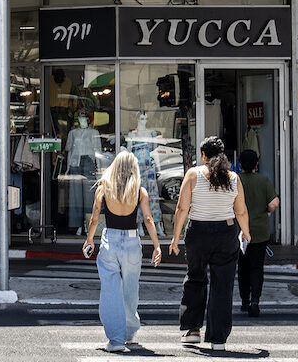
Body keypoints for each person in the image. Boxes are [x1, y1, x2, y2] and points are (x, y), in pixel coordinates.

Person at [170, 136, 251, 349]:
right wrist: (246, 233)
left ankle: (193, 330)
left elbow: (181, 209)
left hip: (198, 231)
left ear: (203, 155)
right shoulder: (233, 178)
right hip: (226, 232)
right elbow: (241, 211)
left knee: (195, 278)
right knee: (222, 286)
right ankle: (218, 339)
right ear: (222, 155)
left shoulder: (193, 174)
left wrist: (175, 237)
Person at [83, 150, 163, 353]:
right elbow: (148, 220)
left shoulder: (103, 188)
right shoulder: (139, 191)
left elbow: (94, 219)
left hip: (110, 239)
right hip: (131, 242)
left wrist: (90, 239)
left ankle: (115, 339)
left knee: (110, 289)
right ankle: (128, 332)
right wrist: (156, 245)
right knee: (130, 289)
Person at [235, 148, 280, 316]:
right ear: (256, 164)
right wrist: (267, 212)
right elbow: (274, 203)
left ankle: (245, 301)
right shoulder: (263, 181)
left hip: (240, 232)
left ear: (240, 165)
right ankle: (255, 300)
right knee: (257, 268)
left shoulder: (235, 180)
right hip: (260, 231)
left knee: (243, 268)